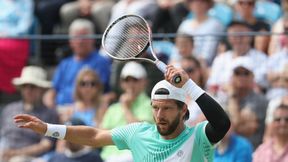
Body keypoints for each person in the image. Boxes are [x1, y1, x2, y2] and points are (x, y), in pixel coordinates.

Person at [13, 65, 230, 162]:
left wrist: (189, 86)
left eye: (167, 108)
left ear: (183, 109)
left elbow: (222, 122)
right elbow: (93, 136)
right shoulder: (138, 133)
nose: (160, 114)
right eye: (155, 108)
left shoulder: (199, 137)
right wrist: (48, 129)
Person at [43, 18, 111, 108]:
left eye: (84, 37)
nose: (80, 41)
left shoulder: (101, 62)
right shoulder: (65, 64)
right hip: (59, 110)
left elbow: (100, 92)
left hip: (85, 111)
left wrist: (76, 109)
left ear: (92, 39)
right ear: (70, 41)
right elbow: (53, 90)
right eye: (76, 37)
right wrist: (50, 104)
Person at [0, 66, 59, 162]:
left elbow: (46, 144)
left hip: (31, 158)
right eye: (25, 86)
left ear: (42, 89)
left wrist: (15, 153)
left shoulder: (49, 113)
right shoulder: (9, 109)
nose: (28, 90)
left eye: (32, 86)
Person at [100, 61, 153, 162]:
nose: (131, 84)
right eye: (126, 80)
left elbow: (141, 134)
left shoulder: (151, 105)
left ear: (144, 82)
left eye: (135, 80)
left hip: (136, 156)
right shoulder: (113, 108)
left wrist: (125, 107)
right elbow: (102, 136)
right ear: (121, 83)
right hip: (109, 157)